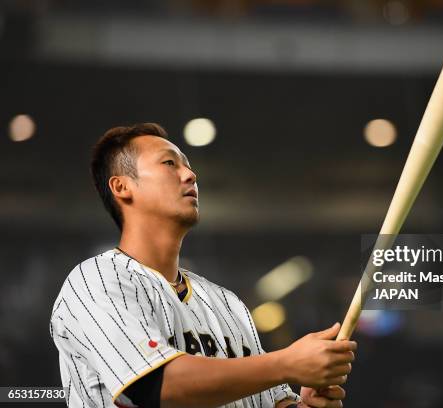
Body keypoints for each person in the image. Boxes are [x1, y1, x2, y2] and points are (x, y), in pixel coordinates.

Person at [49, 123, 356, 408]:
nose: (190, 175)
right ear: (122, 187)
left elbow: (271, 399)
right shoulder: (97, 281)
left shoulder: (228, 304)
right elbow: (155, 387)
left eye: (188, 166)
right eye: (170, 163)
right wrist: (287, 363)